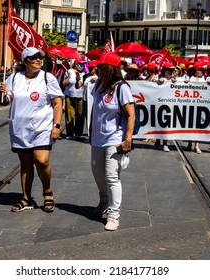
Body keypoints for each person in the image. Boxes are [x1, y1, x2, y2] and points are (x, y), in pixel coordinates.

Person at [0, 47, 63, 213]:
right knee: (25, 163)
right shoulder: (13, 78)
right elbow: (4, 102)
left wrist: (56, 125)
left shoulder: (48, 78)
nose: (38, 60)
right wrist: (3, 94)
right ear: (25, 61)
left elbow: (57, 103)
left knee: (41, 160)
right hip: (20, 128)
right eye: (33, 58)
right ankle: (26, 198)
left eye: (40, 57)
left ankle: (47, 191)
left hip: (42, 128)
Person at [90, 52, 135, 231]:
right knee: (97, 173)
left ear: (108, 68)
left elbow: (131, 115)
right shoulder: (99, 84)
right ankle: (104, 200)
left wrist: (127, 140)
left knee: (111, 177)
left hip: (115, 139)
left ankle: (113, 214)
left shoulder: (121, 87)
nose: (96, 68)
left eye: (100, 66)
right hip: (97, 138)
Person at [62, 60, 85, 139]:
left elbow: (79, 85)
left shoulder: (84, 73)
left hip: (80, 96)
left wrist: (78, 79)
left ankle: (78, 132)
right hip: (69, 95)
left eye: (83, 64)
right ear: (75, 64)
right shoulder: (69, 71)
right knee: (69, 114)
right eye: (80, 63)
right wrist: (68, 77)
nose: (81, 65)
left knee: (80, 114)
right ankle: (70, 133)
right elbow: (64, 84)